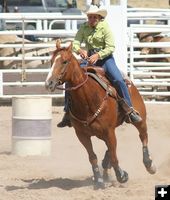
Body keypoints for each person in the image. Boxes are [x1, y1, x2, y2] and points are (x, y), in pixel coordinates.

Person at [57, 5, 142, 127]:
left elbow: (110, 47)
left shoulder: (105, 28)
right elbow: (75, 42)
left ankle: (129, 110)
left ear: (99, 17)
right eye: (90, 17)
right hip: (88, 58)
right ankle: (67, 113)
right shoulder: (84, 28)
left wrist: (98, 55)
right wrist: (80, 50)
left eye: (94, 17)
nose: (91, 19)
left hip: (105, 59)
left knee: (118, 80)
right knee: (70, 78)